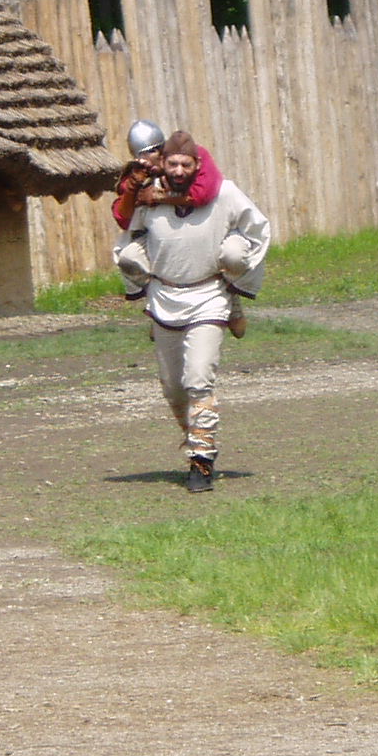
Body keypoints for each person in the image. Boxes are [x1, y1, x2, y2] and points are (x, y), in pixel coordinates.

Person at [113, 133, 271, 493]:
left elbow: (258, 228)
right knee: (173, 388)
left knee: (198, 378)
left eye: (187, 164)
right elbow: (126, 229)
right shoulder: (147, 196)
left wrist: (239, 274)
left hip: (209, 296)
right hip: (165, 295)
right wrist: (138, 282)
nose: (180, 170)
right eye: (173, 164)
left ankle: (202, 459)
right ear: (164, 164)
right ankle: (195, 435)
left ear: (197, 164)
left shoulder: (224, 192)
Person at [110, 118, 224, 230]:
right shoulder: (139, 173)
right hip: (161, 233)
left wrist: (159, 197)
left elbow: (202, 194)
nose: (146, 162)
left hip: (204, 222)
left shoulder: (189, 155)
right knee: (130, 249)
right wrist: (132, 188)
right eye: (141, 156)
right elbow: (124, 220)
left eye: (150, 153)